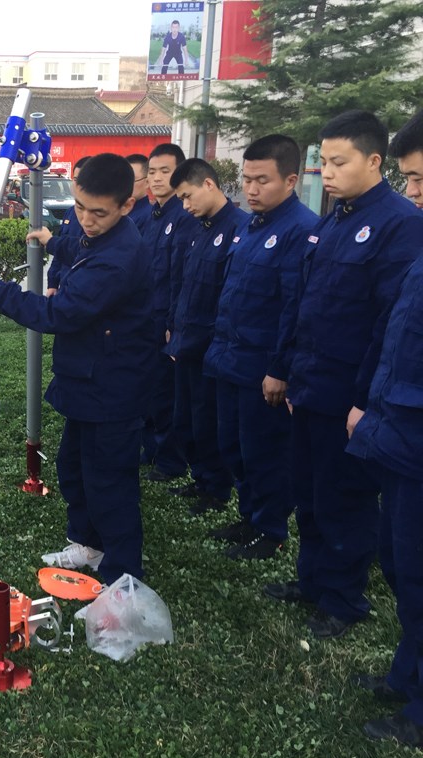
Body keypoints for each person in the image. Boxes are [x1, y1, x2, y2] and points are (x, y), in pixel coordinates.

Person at [0, 153, 156, 583]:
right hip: (87, 378)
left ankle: (122, 577)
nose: (86, 219)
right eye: (80, 207)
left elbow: (56, 315)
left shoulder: (119, 259)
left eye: (98, 213)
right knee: (75, 468)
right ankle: (88, 545)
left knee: (110, 484)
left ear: (127, 206)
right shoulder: (102, 235)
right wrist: (53, 240)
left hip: (112, 388)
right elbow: (82, 245)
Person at [265, 110, 423, 639]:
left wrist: (364, 401)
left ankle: (343, 598)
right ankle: (312, 580)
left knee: (345, 499)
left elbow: (388, 324)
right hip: (310, 384)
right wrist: (288, 371)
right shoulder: (333, 220)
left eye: (339, 162)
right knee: (309, 492)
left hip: (349, 394)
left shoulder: (400, 224)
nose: (327, 173)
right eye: (324, 162)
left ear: (374, 161)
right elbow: (307, 305)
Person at [346, 107, 423, 750]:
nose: (414, 193)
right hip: (401, 434)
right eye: (410, 179)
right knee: (400, 564)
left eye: (422, 179)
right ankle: (407, 675)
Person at [203, 135, 319, 559]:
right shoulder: (251, 226)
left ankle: (270, 529)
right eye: (247, 179)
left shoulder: (300, 230)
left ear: (290, 180)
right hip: (230, 360)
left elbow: (294, 308)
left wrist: (280, 368)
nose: (250, 189)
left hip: (262, 367)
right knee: (233, 447)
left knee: (264, 452)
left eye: (262, 181)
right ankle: (249, 517)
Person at [166, 158, 249, 515]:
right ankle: (200, 478)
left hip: (212, 347)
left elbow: (230, 297)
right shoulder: (198, 229)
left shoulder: (239, 228)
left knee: (209, 422)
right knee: (186, 418)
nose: (185, 206)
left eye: (188, 196)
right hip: (187, 342)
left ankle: (216, 488)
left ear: (210, 185)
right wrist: (174, 326)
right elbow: (184, 284)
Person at [141, 143, 195, 481]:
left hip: (167, 323)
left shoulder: (184, 217)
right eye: (152, 172)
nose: (157, 178)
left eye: (165, 171)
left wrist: (175, 323)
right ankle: (152, 449)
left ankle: (171, 461)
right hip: (148, 319)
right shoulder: (153, 216)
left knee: (167, 396)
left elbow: (182, 277)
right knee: (150, 390)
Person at [44, 156, 89, 296]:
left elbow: (86, 252)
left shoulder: (102, 217)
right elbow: (60, 251)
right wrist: (53, 283)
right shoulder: (70, 212)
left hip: (84, 288)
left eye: (84, 180)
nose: (78, 185)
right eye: (75, 179)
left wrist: (50, 241)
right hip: (65, 286)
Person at [126, 153, 153, 237]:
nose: (125, 184)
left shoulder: (150, 216)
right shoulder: (116, 212)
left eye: (132, 179)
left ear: (147, 182)